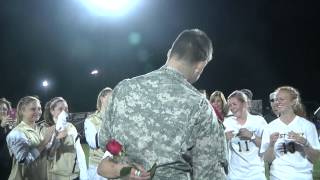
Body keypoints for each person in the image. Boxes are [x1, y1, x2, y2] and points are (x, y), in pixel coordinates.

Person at [98, 29, 227, 180]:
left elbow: (106, 142)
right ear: (200, 66)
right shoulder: (199, 106)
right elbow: (208, 174)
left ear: (169, 53)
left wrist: (126, 165)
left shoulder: (123, 89)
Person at [260, 86, 320, 180]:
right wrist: (271, 145)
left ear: (293, 102)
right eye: (276, 99)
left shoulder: (308, 126)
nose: (277, 102)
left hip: (303, 177)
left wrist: (305, 143)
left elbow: (315, 158)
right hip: (278, 176)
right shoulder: (270, 127)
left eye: (281, 99)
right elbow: (267, 159)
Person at [6, 96, 55, 180]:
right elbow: (24, 161)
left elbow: (46, 155)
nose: (38, 112)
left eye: (39, 108)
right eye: (33, 109)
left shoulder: (41, 129)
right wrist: (44, 142)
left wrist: (54, 141)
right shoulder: (16, 133)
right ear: (22, 111)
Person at [223, 90, 267, 180]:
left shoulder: (259, 121)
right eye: (230, 105)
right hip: (235, 175)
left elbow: (267, 146)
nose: (232, 108)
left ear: (244, 104)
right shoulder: (227, 122)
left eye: (234, 104)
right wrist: (224, 139)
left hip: (256, 174)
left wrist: (252, 136)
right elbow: (218, 148)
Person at [43, 97, 88, 180]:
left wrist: (84, 174)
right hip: (56, 176)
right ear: (52, 111)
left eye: (66, 109)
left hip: (74, 175)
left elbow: (79, 151)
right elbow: (47, 155)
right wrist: (57, 137)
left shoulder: (70, 127)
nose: (64, 112)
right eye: (60, 109)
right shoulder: (45, 128)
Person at [84, 87, 112, 180]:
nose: (113, 99)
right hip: (97, 168)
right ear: (102, 98)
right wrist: (107, 121)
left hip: (115, 166)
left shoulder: (116, 119)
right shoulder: (90, 120)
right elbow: (94, 143)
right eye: (111, 96)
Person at [0, 98, 15, 179]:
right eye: (0, 109)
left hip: (10, 164)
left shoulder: (10, 126)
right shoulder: (2, 125)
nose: (2, 111)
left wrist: (15, 128)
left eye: (5, 109)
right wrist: (1, 126)